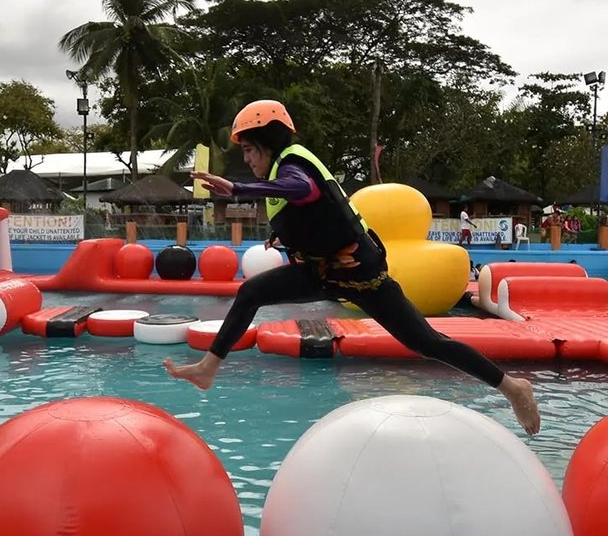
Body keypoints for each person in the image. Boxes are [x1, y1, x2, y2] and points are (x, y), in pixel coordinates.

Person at [163, 99, 541, 435]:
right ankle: (210, 366)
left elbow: (304, 190)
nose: (246, 160)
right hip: (325, 274)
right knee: (252, 292)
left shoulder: (293, 164)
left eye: (248, 149)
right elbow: (314, 213)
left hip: (362, 277)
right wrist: (285, 238)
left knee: (426, 343)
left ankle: (512, 387)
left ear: (269, 142)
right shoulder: (282, 171)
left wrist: (239, 189)